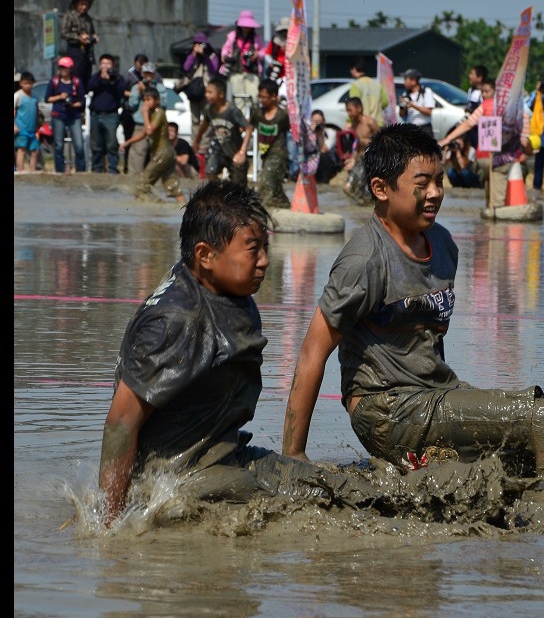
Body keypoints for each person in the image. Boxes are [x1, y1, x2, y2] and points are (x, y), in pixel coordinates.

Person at [282, 124, 544, 480]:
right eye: (421, 184)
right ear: (381, 188)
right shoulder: (364, 260)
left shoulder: (443, 245)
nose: (435, 193)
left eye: (439, 181)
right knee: (538, 418)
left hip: (440, 397)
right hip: (388, 411)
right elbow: (312, 352)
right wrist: (294, 453)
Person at [97, 181, 364, 526]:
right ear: (205, 255)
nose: (265, 261)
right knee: (313, 507)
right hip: (178, 476)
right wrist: (109, 522)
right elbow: (121, 421)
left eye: (266, 247)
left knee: (333, 486)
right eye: (253, 250)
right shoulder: (177, 319)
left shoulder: (217, 288)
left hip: (222, 454)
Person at [119, 86, 185, 205]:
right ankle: (183, 208)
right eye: (144, 100)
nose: (146, 103)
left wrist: (144, 113)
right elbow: (144, 133)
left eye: (148, 100)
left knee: (141, 186)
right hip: (167, 154)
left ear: (157, 101)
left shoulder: (159, 113)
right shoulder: (152, 114)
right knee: (173, 186)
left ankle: (158, 207)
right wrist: (127, 142)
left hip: (162, 153)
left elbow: (149, 131)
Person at [236, 78, 291, 209]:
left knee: (265, 182)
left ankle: (264, 212)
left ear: (273, 97)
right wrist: (242, 149)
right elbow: (249, 127)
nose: (261, 100)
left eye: (264, 97)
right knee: (274, 185)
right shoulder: (258, 113)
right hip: (265, 154)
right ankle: (284, 204)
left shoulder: (282, 115)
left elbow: (295, 130)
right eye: (259, 96)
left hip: (279, 155)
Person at [192, 76, 248, 185]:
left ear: (221, 94)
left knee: (239, 184)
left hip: (234, 149)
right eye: (206, 92)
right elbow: (204, 124)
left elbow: (249, 128)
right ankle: (220, 193)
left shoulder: (232, 110)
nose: (206, 95)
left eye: (210, 92)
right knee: (210, 171)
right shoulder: (209, 109)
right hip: (218, 146)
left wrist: (242, 152)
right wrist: (197, 141)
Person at [125, 61, 170, 176]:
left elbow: (164, 104)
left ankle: (157, 176)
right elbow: (132, 104)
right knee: (137, 152)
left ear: (154, 74)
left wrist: (153, 95)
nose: (148, 76)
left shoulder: (160, 88)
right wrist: (139, 93)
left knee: (156, 152)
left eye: (150, 73)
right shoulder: (136, 87)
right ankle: (133, 175)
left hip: (155, 123)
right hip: (140, 124)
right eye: (145, 74)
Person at [178, 33, 221, 150]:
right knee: (195, 119)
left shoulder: (211, 55)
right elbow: (186, 68)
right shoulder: (191, 55)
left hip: (207, 93)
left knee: (207, 119)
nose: (198, 46)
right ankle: (194, 143)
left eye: (200, 44)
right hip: (194, 92)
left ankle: (205, 145)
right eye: (196, 44)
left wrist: (204, 55)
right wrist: (193, 54)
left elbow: (214, 68)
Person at [44, 56, 86, 173]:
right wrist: (60, 97)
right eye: (61, 68)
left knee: (78, 146)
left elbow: (82, 101)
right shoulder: (54, 82)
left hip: (74, 117)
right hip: (58, 116)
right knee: (58, 146)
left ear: (70, 69)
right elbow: (47, 98)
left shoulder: (76, 82)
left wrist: (72, 104)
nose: (63, 70)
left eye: (65, 68)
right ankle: (60, 170)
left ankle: (80, 171)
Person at [86, 54, 125, 175]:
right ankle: (96, 168)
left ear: (112, 65)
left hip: (111, 115)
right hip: (96, 114)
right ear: (99, 65)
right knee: (96, 144)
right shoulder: (95, 77)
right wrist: (101, 80)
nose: (105, 66)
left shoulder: (118, 78)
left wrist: (111, 80)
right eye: (103, 63)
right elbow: (88, 87)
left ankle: (113, 168)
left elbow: (121, 91)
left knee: (111, 143)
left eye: (108, 64)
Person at [220, 9, 264, 115]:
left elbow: (263, 52)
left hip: (251, 73)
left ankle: (253, 119)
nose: (247, 28)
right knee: (238, 98)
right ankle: (241, 121)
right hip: (236, 72)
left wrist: (257, 54)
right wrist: (228, 57)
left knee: (254, 97)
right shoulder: (232, 36)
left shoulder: (256, 37)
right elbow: (224, 51)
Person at [342, 97, 379, 203]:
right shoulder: (354, 124)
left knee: (367, 190)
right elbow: (357, 144)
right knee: (348, 188)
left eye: (350, 110)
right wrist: (352, 160)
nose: (348, 113)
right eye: (347, 110)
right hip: (360, 158)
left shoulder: (370, 122)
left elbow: (382, 140)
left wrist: (369, 142)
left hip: (372, 159)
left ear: (359, 108)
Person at [60, 0, 98, 89]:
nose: (84, 7)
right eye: (82, 4)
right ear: (76, 4)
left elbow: (92, 33)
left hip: (87, 52)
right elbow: (64, 33)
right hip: (75, 51)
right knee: (76, 77)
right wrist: (79, 38)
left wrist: (94, 38)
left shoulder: (88, 18)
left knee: (86, 77)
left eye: (86, 4)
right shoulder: (69, 16)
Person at [120, 54, 147, 159]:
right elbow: (121, 91)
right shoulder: (128, 75)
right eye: (139, 64)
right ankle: (127, 164)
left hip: (143, 112)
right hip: (129, 111)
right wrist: (135, 93)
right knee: (129, 138)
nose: (140, 67)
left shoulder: (150, 75)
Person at [348, 58, 390, 127]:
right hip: (378, 123)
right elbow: (385, 101)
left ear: (354, 69)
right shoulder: (377, 84)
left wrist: (349, 121)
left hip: (363, 124)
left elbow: (353, 106)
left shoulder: (356, 85)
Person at [14, 70, 41, 173]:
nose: (27, 86)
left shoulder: (34, 97)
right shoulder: (18, 96)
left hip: (32, 129)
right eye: (25, 83)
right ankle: (21, 171)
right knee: (22, 150)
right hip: (21, 128)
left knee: (35, 150)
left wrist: (37, 126)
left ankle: (32, 171)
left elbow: (36, 112)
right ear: (21, 83)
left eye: (29, 83)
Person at [398, 68, 435, 133]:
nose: (404, 82)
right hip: (410, 128)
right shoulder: (405, 94)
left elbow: (429, 112)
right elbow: (401, 115)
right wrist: (402, 105)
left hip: (424, 128)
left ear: (413, 81)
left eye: (405, 79)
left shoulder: (426, 92)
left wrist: (413, 105)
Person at [311, 109, 343, 184]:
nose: (317, 124)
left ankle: (324, 182)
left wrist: (319, 135)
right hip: (313, 164)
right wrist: (310, 134)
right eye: (314, 121)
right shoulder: (308, 134)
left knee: (323, 157)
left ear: (324, 121)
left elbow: (324, 150)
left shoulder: (331, 132)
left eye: (318, 121)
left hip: (329, 165)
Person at [262, 16, 290, 81]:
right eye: (283, 31)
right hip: (277, 71)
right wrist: (271, 62)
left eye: (286, 30)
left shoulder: (295, 41)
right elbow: (267, 54)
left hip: (290, 71)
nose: (285, 33)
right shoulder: (275, 41)